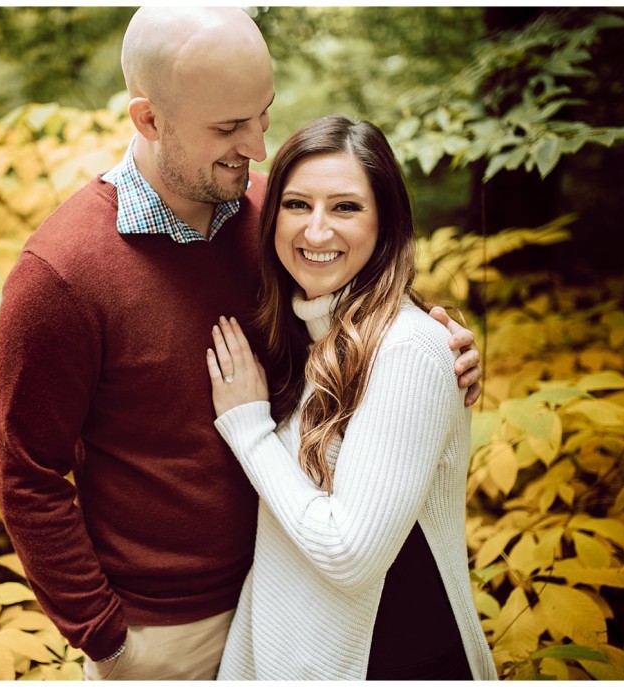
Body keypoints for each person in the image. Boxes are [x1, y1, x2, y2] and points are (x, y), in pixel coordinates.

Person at [0, 8, 484, 681]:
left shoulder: (272, 216)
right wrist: (105, 635)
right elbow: (27, 475)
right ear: (149, 119)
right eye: (227, 127)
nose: (258, 147)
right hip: (168, 630)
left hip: (298, 594)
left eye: (263, 114)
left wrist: (434, 338)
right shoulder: (62, 274)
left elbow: (353, 310)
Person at [205, 114, 498, 680]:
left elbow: (349, 554)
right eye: (296, 205)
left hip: (396, 660)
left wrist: (247, 427)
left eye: (345, 207)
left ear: (385, 224)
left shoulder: (409, 350)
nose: (316, 232)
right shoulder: (299, 333)